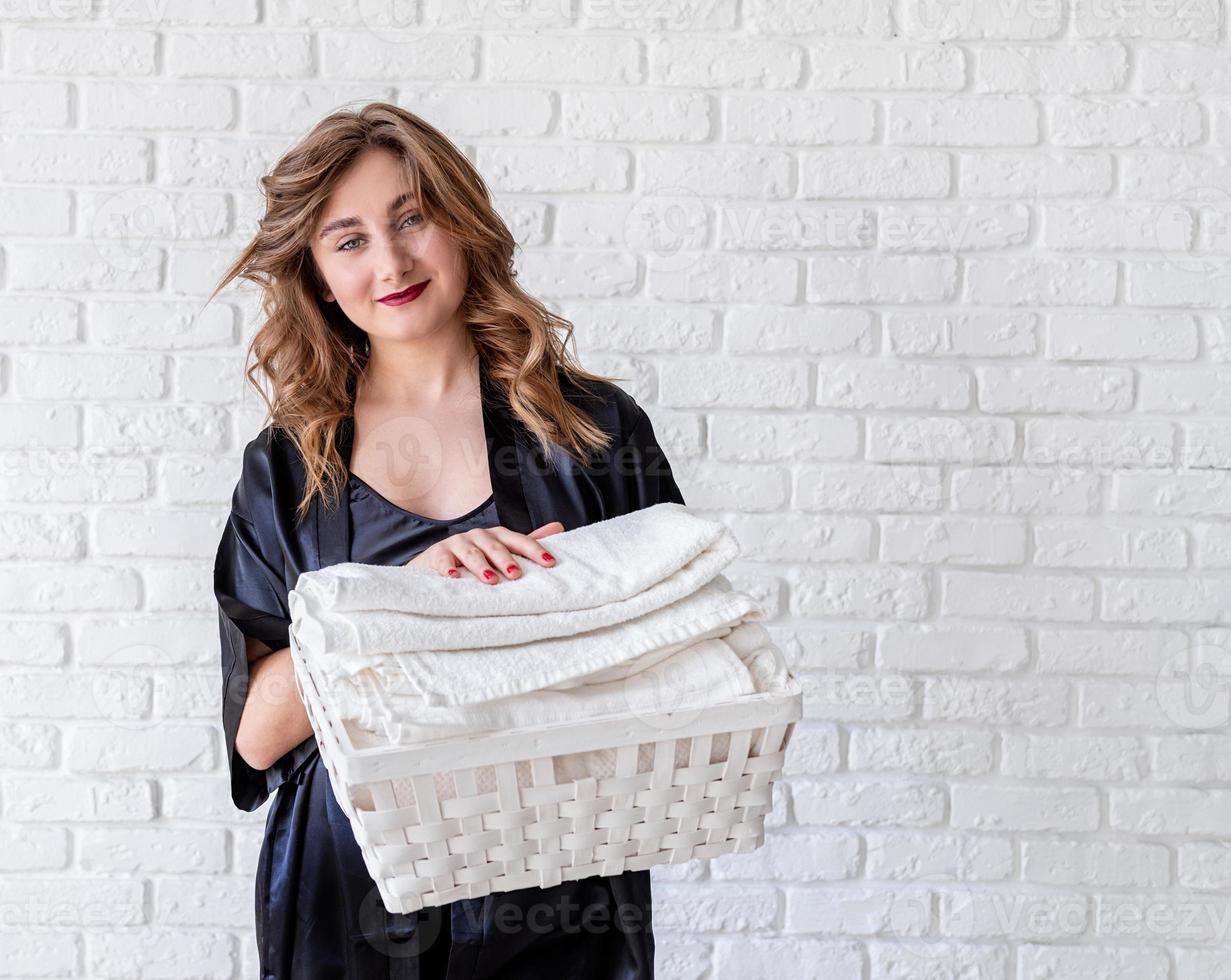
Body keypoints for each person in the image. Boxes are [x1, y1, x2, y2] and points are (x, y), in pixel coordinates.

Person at [209, 102, 687, 979]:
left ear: (461, 225)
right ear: (317, 277)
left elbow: (678, 668)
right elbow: (256, 736)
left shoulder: (592, 433)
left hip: (561, 889)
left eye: (411, 219)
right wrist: (400, 603)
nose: (389, 262)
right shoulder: (287, 469)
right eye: (348, 240)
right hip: (347, 895)